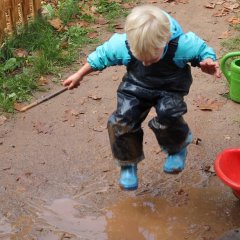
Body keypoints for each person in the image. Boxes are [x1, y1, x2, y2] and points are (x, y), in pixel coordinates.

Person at [63, 5, 221, 191]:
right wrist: (79, 74)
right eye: (140, 57)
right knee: (122, 120)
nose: (145, 63)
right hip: (136, 86)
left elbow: (202, 50)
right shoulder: (124, 44)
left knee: (168, 113)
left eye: (151, 59)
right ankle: (128, 163)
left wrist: (208, 61)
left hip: (170, 87)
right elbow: (101, 55)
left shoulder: (181, 45)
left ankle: (177, 148)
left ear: (164, 41)